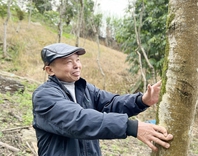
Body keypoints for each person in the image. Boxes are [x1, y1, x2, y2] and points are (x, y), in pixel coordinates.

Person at [32, 43, 173, 156]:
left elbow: (111, 103)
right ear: (50, 70)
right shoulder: (44, 96)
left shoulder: (85, 89)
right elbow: (78, 120)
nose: (77, 66)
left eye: (77, 60)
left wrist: (141, 100)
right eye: (68, 62)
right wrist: (130, 127)